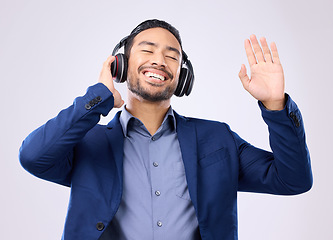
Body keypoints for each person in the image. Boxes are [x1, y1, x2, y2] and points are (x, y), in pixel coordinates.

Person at [19, 19, 313, 240]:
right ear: (119, 65)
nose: (159, 60)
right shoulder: (87, 142)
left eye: (172, 56)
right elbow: (33, 157)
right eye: (147, 50)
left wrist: (275, 105)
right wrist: (97, 98)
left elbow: (293, 180)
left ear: (182, 77)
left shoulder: (217, 139)